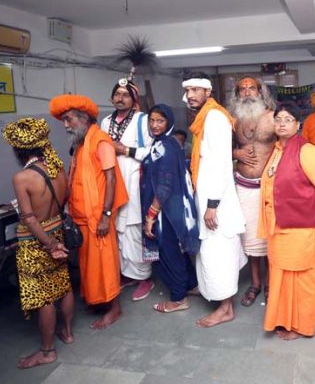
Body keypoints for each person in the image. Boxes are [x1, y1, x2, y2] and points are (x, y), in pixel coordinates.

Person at [49, 94, 129, 330]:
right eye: (63, 120)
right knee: (88, 265)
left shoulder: (101, 141)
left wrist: (105, 215)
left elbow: (111, 177)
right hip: (82, 218)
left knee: (104, 265)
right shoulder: (81, 143)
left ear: (83, 118)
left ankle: (114, 308)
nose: (65, 125)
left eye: (68, 119)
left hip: (98, 218)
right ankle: (98, 301)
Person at [2, 117, 75, 369]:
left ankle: (47, 351)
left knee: (44, 298)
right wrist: (56, 242)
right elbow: (63, 200)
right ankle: (66, 332)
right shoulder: (58, 168)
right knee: (63, 285)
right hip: (58, 231)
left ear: (17, 150)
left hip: (38, 243)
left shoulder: (22, 178)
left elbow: (29, 217)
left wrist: (48, 244)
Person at [258, 104, 315, 340]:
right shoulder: (277, 150)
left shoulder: (307, 151)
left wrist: (307, 208)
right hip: (278, 226)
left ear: (298, 124)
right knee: (281, 275)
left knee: (303, 278)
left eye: (288, 119)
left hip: (300, 226)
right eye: (278, 119)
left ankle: (302, 325)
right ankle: (284, 319)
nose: (281, 123)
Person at [184, 72, 247, 327]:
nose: (190, 96)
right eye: (188, 91)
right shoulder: (203, 118)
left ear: (207, 92)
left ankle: (225, 308)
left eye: (196, 90)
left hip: (216, 201)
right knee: (208, 250)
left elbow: (221, 163)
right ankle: (208, 287)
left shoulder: (215, 118)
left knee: (218, 251)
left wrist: (212, 206)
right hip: (208, 196)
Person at [140, 104, 201, 313]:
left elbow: (164, 185)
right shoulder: (167, 143)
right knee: (177, 250)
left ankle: (178, 298)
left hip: (165, 211)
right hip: (172, 209)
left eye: (160, 121)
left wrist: (151, 214)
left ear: (169, 123)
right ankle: (191, 284)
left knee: (168, 253)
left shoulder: (164, 146)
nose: (155, 125)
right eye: (152, 120)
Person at [100, 78, 155, 301]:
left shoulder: (143, 120)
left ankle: (145, 278)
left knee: (133, 229)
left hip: (135, 180)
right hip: (112, 179)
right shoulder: (105, 121)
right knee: (117, 229)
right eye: (117, 94)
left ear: (134, 100)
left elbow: (152, 151)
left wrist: (125, 150)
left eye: (125, 95)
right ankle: (128, 274)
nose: (120, 98)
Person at [228, 75, 276, 307]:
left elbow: (286, 146)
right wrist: (236, 154)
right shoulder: (232, 121)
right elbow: (220, 148)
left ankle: (271, 284)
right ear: (237, 95)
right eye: (242, 89)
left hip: (268, 189)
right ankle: (256, 283)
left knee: (269, 239)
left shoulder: (273, 117)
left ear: (261, 92)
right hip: (243, 187)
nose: (247, 92)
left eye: (252, 88)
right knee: (251, 240)